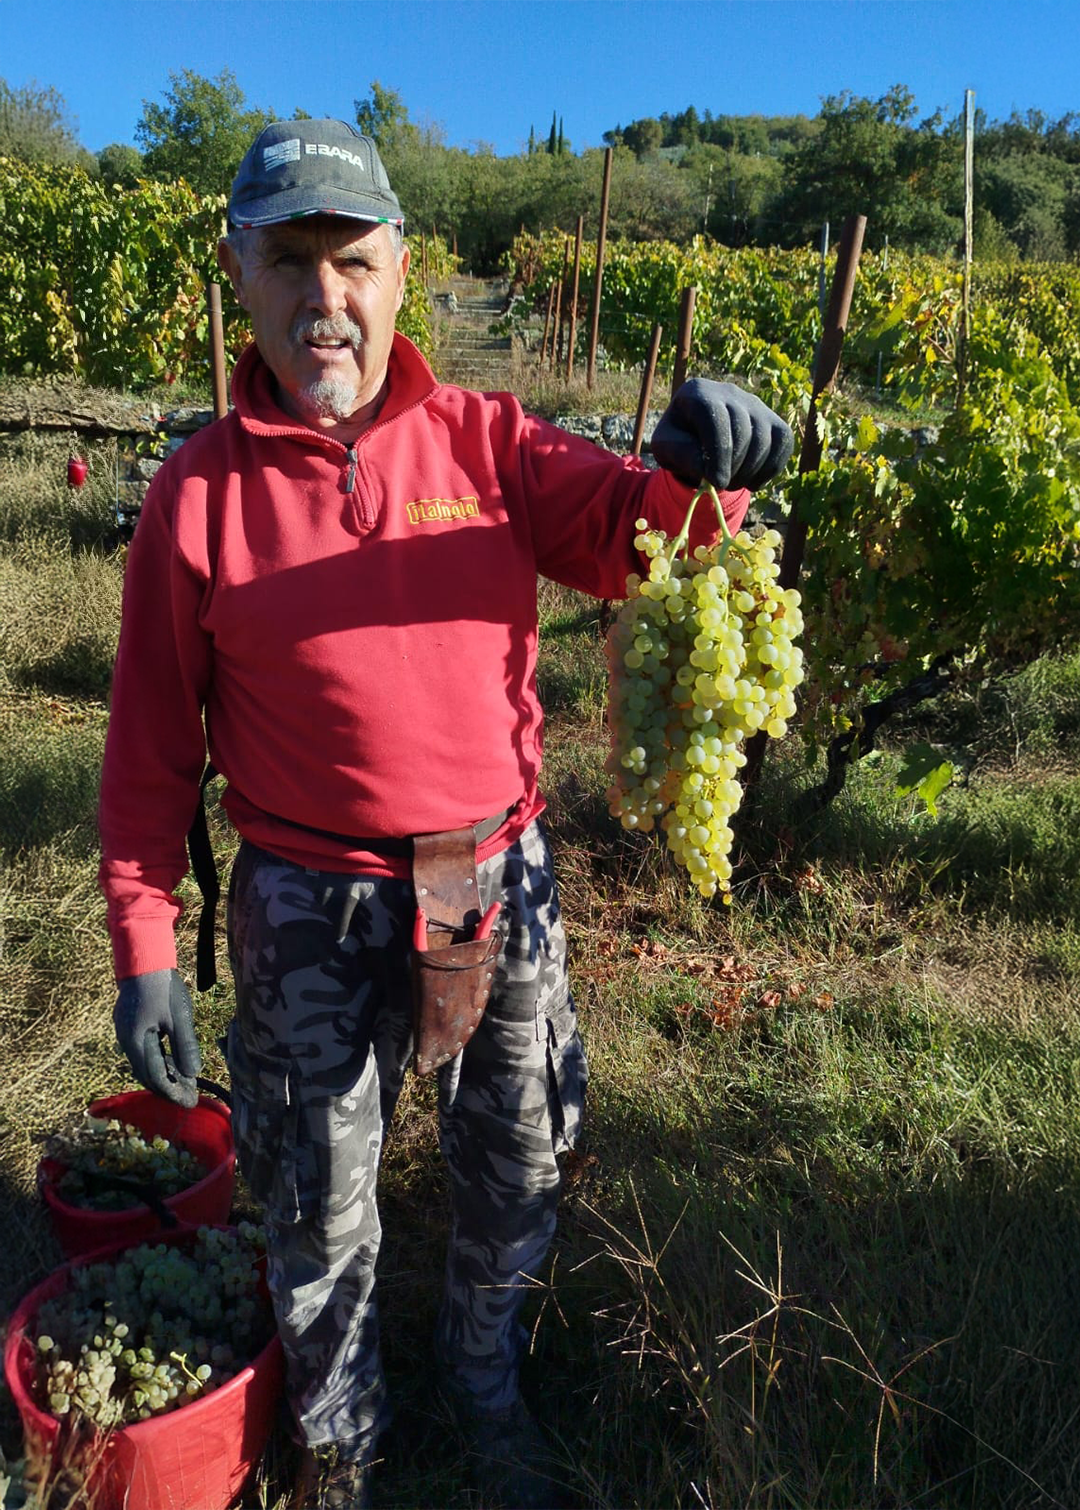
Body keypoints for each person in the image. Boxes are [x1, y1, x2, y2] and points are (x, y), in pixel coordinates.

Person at [98, 118, 793, 1510]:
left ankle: (485, 1381)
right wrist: (145, 942)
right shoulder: (198, 495)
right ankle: (344, 1435)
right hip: (302, 897)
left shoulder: (489, 442)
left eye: (349, 261)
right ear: (240, 273)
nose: (322, 299)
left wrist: (708, 461)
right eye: (287, 260)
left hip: (495, 884)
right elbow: (152, 749)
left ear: (401, 271)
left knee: (519, 1155)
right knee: (311, 1194)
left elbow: (632, 533)